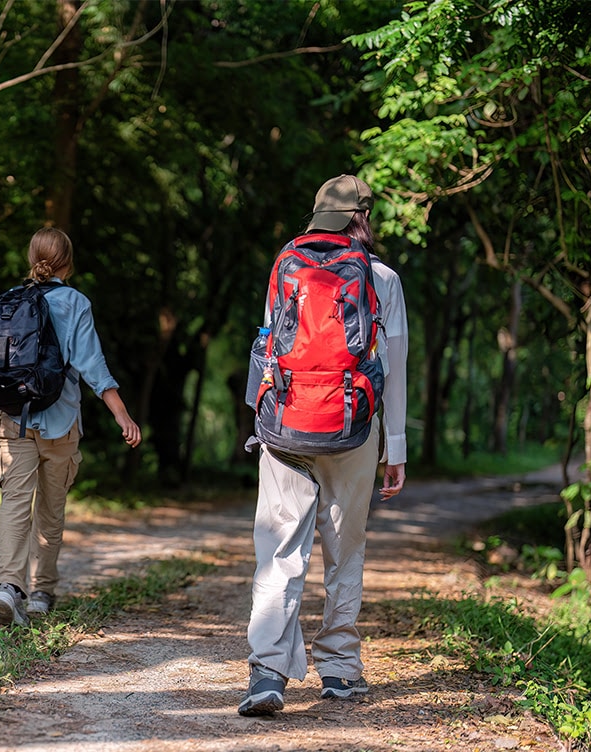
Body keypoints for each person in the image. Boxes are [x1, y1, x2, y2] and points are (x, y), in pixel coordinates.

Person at [238, 175, 408, 716]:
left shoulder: (287, 264)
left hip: (286, 423)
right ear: (363, 217)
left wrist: (261, 420)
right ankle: (338, 669)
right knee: (344, 548)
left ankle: (267, 671)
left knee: (279, 547)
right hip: (354, 426)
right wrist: (395, 446)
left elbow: (267, 348)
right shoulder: (381, 277)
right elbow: (395, 368)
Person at [0, 227, 142, 627]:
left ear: (30, 258)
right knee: (51, 512)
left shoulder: (8, 301)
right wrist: (122, 415)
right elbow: (92, 366)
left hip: (13, 419)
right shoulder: (75, 302)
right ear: (68, 264)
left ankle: (7, 586)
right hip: (60, 423)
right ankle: (41, 591)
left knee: (14, 504)